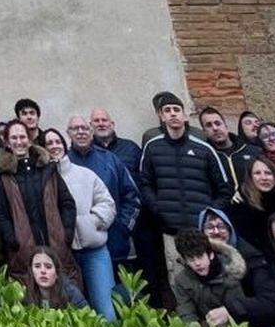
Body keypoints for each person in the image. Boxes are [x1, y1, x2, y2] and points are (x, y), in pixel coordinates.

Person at [137, 91, 230, 267]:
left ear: (185, 115)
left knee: (214, 276)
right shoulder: (152, 147)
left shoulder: (204, 149)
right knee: (178, 280)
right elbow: (145, 184)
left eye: (177, 109)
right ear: (161, 116)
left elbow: (224, 188)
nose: (173, 113)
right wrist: (158, 208)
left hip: (203, 231)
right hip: (171, 232)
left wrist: (209, 214)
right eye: (168, 110)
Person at [0, 120, 79, 284]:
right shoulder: (3, 177)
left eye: (22, 137)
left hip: (57, 247)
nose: (19, 142)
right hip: (23, 252)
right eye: (14, 138)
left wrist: (66, 233)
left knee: (66, 296)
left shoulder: (48, 170)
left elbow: (67, 203)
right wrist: (13, 238)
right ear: (8, 143)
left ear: (29, 140)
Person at [45, 128, 118, 320]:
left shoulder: (85, 174)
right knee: (77, 313)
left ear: (64, 145)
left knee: (106, 310)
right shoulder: (42, 180)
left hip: (94, 251)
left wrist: (92, 221)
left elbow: (107, 203)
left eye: (57, 142)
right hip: (63, 254)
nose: (54, 146)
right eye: (48, 143)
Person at [197, 206, 275, 327]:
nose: (216, 231)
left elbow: (273, 303)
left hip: (253, 324)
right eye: (209, 227)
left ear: (230, 230)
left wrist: (230, 310)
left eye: (221, 226)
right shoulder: (194, 264)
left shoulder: (251, 257)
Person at [65, 114, 139, 270]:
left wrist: (124, 227)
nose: (80, 132)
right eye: (75, 128)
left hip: (117, 245)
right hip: (79, 249)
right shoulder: (64, 165)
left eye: (84, 128)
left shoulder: (110, 160)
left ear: (91, 131)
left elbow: (132, 196)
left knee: (122, 292)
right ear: (68, 133)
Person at [170, 228, 247, 327]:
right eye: (191, 259)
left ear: (210, 254)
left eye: (200, 257)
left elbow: (239, 312)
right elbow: (186, 314)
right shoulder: (182, 280)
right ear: (185, 261)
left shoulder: (230, 274)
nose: (197, 263)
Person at [198, 107, 259, 191]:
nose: (215, 128)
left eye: (218, 123)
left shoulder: (253, 151)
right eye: (209, 125)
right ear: (204, 131)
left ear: (226, 126)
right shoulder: (205, 157)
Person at [22, 246, 89, 309]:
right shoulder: (25, 295)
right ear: (31, 271)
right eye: (37, 266)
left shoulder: (71, 293)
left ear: (57, 272)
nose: (43, 271)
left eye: (48, 267)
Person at [90, 107, 143, 177]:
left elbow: (145, 177)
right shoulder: (86, 151)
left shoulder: (131, 148)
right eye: (96, 121)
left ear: (112, 124)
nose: (101, 124)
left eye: (104, 120)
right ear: (90, 125)